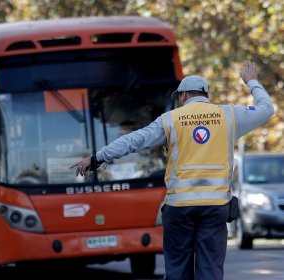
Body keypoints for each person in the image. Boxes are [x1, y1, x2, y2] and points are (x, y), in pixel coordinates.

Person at [71, 61, 274, 279]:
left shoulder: (171, 120)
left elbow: (133, 141)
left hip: (180, 209)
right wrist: (252, 81)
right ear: (205, 95)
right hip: (215, 208)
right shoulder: (230, 116)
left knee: (177, 270)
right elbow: (266, 109)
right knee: (211, 271)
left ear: (184, 96)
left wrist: (96, 157)